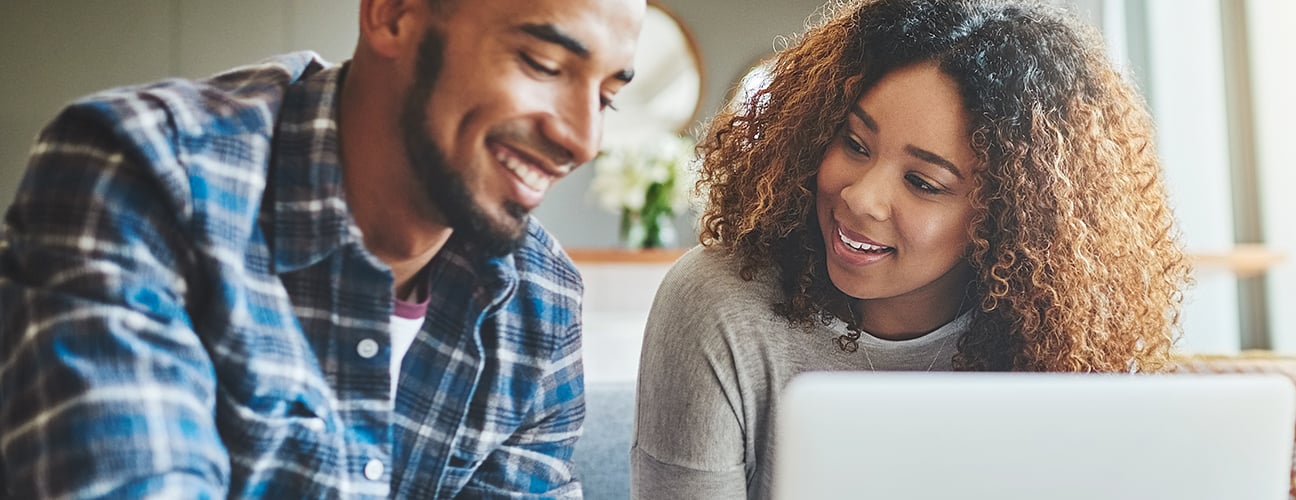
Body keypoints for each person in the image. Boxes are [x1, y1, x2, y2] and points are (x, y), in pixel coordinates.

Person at [0, 0, 642, 497]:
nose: (583, 140)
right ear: (393, 13)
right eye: (543, 65)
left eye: (607, 98)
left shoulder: (542, 298)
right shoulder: (144, 175)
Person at [629, 0, 1191, 498]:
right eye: (854, 143)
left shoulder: (1068, 336)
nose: (861, 197)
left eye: (923, 183)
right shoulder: (720, 306)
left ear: (1005, 217)